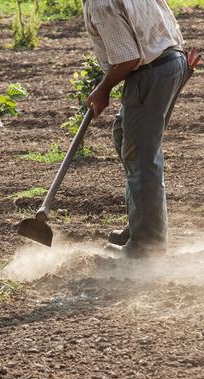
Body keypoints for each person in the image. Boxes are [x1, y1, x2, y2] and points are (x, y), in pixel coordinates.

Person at [83, 0, 187, 259]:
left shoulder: (100, 4)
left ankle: (146, 246)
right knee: (124, 136)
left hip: (151, 71)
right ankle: (142, 224)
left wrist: (103, 89)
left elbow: (128, 59)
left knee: (141, 156)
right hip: (169, 62)